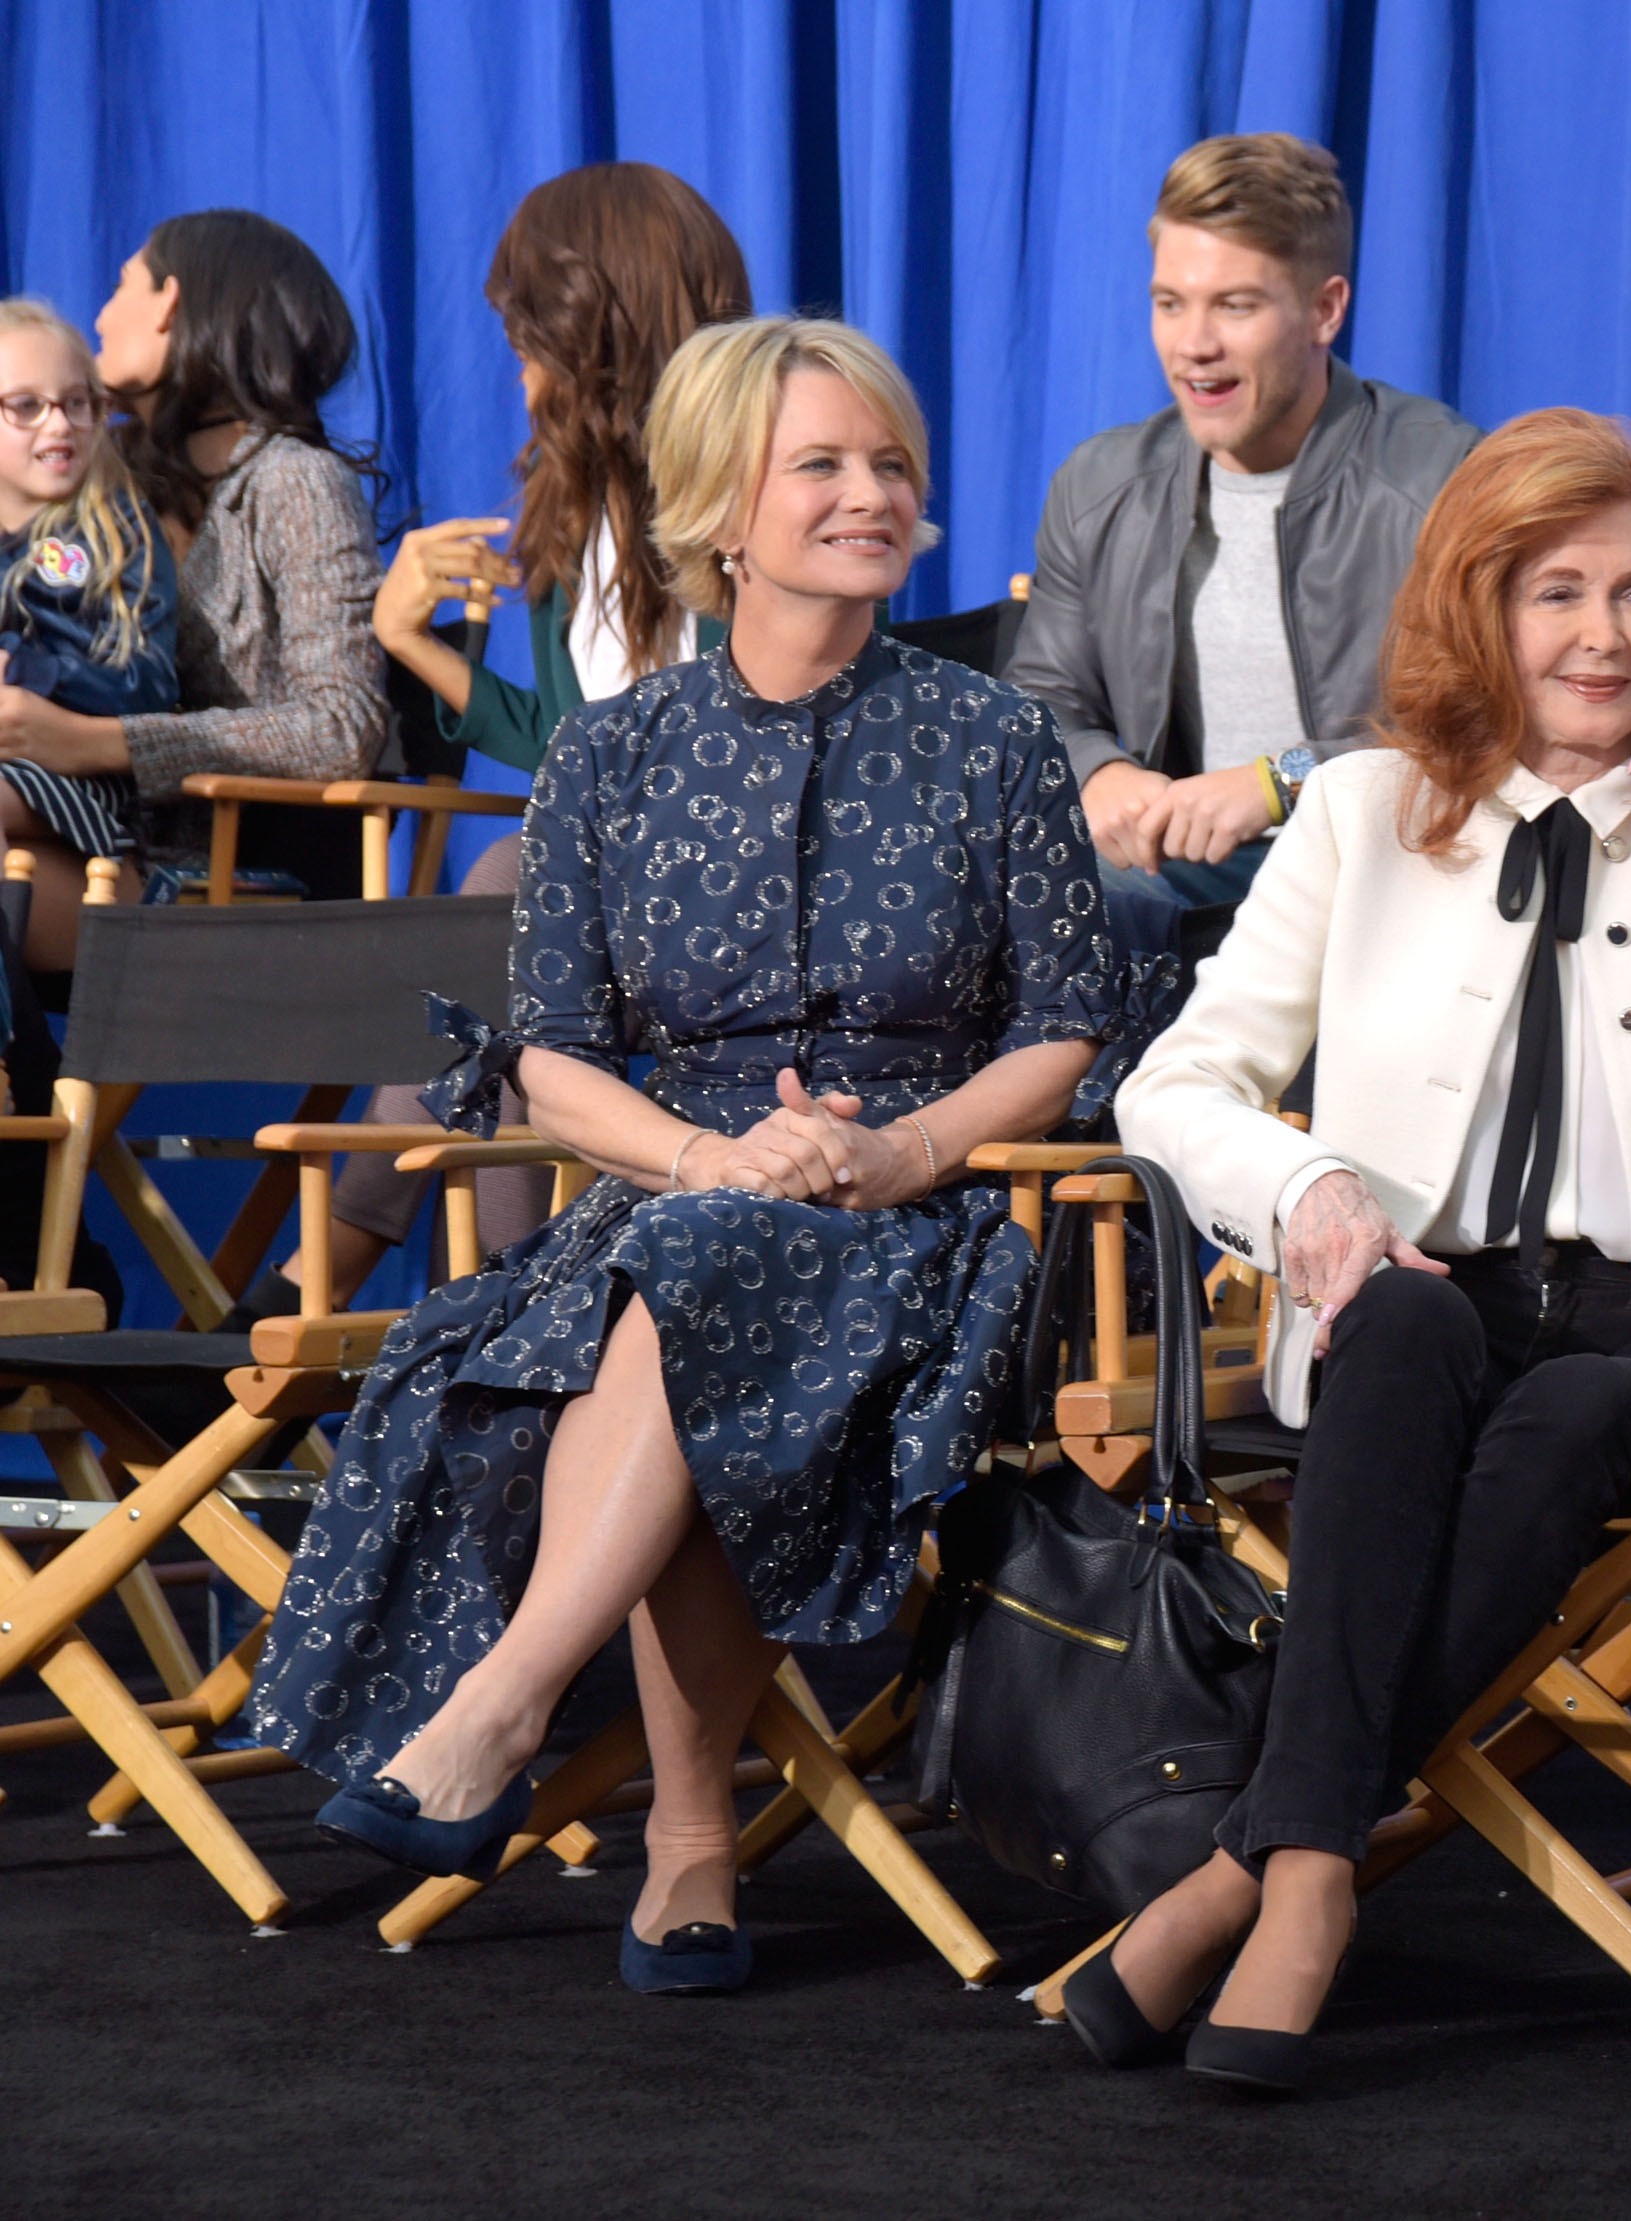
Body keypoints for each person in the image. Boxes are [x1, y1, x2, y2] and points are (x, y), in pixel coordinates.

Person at [243, 316, 1160, 1996]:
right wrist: (701, 1157)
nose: (874, 494)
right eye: (824, 463)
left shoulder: (995, 740)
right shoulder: (609, 752)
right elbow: (546, 1058)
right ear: (721, 511)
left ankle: (528, 1716)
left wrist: (910, 1148)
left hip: (935, 1232)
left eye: (891, 465)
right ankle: (681, 1839)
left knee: (702, 1286)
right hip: (677, 1204)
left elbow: (1071, 1025)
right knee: (696, 1271)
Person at [1084, 408, 1631, 2094]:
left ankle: (1265, 1867)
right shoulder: (1362, 816)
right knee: (1398, 1336)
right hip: (1413, 1294)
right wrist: (1309, 1188)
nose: (1603, 636)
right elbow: (1175, 1083)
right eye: (1557, 592)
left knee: (1573, 1414)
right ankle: (1308, 1863)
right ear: (1483, 606)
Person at [268, 162, 754, 1318]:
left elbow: (747, 729)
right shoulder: (571, 501)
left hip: (737, 883)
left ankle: (331, 1279)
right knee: (519, 983)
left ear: (596, 336)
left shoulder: (745, 483)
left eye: (531, 344)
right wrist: (410, 636)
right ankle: (494, 1329)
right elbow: (562, 739)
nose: (520, 374)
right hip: (595, 897)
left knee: (509, 887)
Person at [1007, 132, 1478, 954]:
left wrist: (1280, 783)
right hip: (1187, 887)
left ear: (1325, 310)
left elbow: (1484, 722)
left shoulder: (1444, 480)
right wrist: (1099, 771)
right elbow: (1041, 698)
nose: (1195, 344)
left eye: (1236, 305)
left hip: (1392, 878)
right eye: (1170, 302)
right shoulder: (1100, 484)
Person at [83, 209, 387, 895]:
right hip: (98, 835)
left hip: (232, 874)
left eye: (121, 284)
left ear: (171, 302)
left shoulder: (293, 480)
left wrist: (101, 744)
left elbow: (341, 726)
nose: (99, 319)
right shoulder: (100, 482)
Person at [0, 298, 178, 962]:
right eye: (25, 405)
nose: (60, 422)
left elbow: (145, 686)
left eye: (79, 402)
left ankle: (22, 1049)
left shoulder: (108, 535)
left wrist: (25, 670)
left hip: (79, 786)